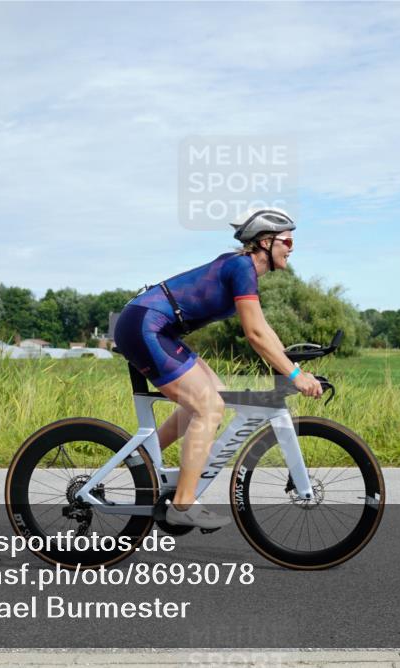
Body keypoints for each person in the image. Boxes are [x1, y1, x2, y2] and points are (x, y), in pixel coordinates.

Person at [112, 208, 324, 530]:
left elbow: (263, 329)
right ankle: (182, 504)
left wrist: (291, 367)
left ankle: (140, 460)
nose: (292, 248)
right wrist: (295, 376)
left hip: (156, 327)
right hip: (146, 325)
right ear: (265, 242)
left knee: (215, 392)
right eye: (288, 240)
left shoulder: (243, 271)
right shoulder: (242, 266)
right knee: (209, 407)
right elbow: (253, 335)